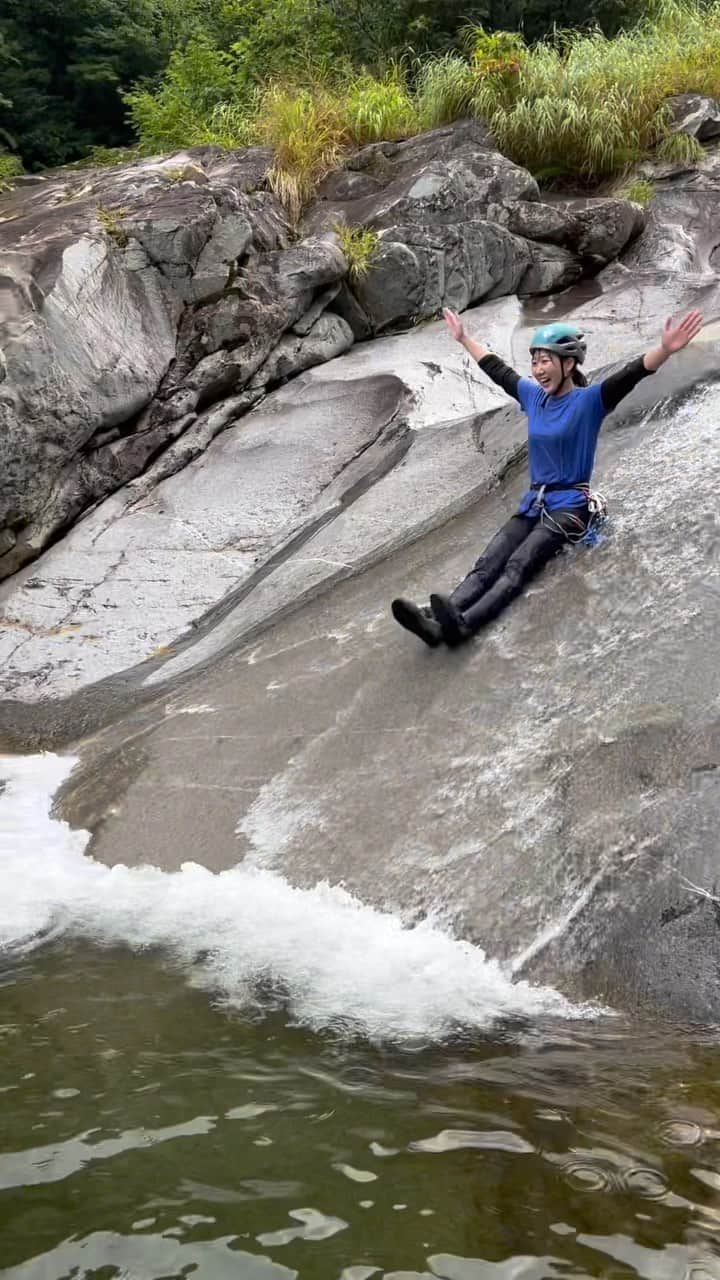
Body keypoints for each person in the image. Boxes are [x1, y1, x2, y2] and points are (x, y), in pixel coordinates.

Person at [391, 307, 704, 647]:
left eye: (546, 361)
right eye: (535, 361)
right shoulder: (532, 396)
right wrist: (464, 338)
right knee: (489, 561)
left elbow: (632, 373)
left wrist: (666, 349)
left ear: (568, 364)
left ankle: (463, 625)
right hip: (534, 502)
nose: (538, 369)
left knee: (517, 565)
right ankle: (438, 618)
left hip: (570, 506)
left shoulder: (590, 402)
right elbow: (498, 370)